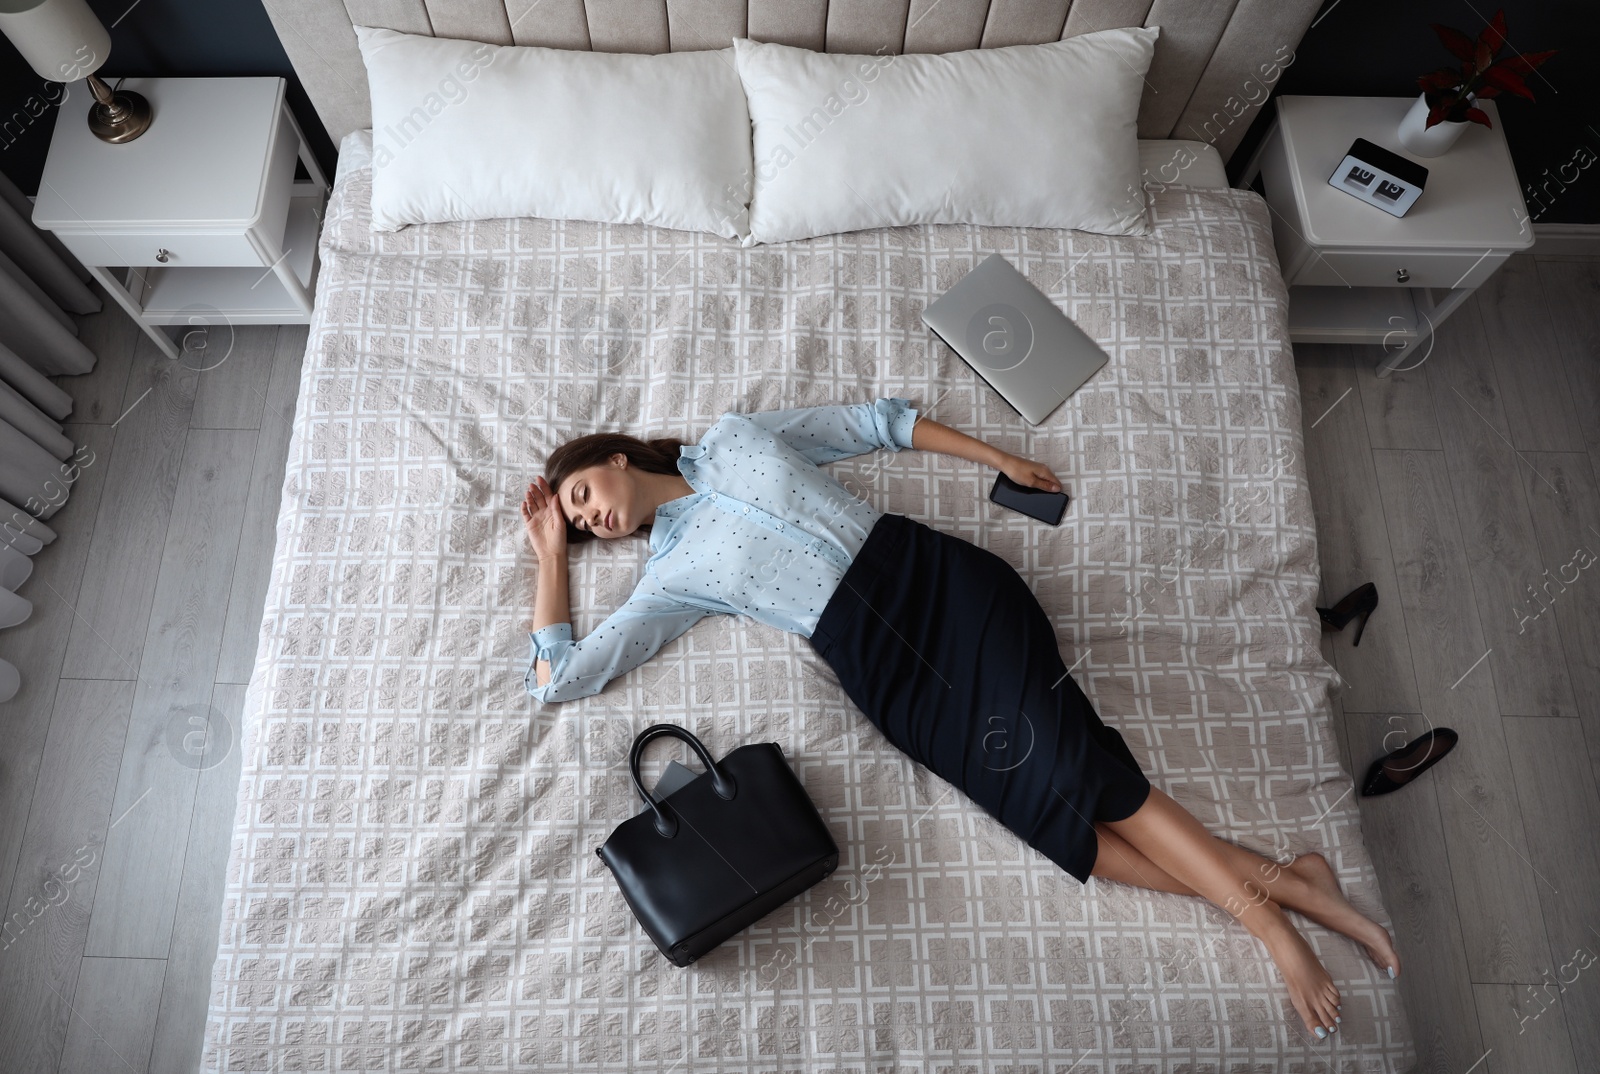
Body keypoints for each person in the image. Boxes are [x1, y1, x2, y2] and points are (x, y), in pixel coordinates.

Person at [521, 397, 1397, 1039]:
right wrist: (550, 559)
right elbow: (559, 676)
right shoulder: (667, 580)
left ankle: (1268, 920)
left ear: (618, 458)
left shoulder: (735, 439)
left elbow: (872, 423)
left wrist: (997, 460)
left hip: (943, 588)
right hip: (885, 673)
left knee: (1086, 774)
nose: (593, 516)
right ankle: (1289, 881)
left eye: (584, 494)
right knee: (1058, 826)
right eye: (584, 525)